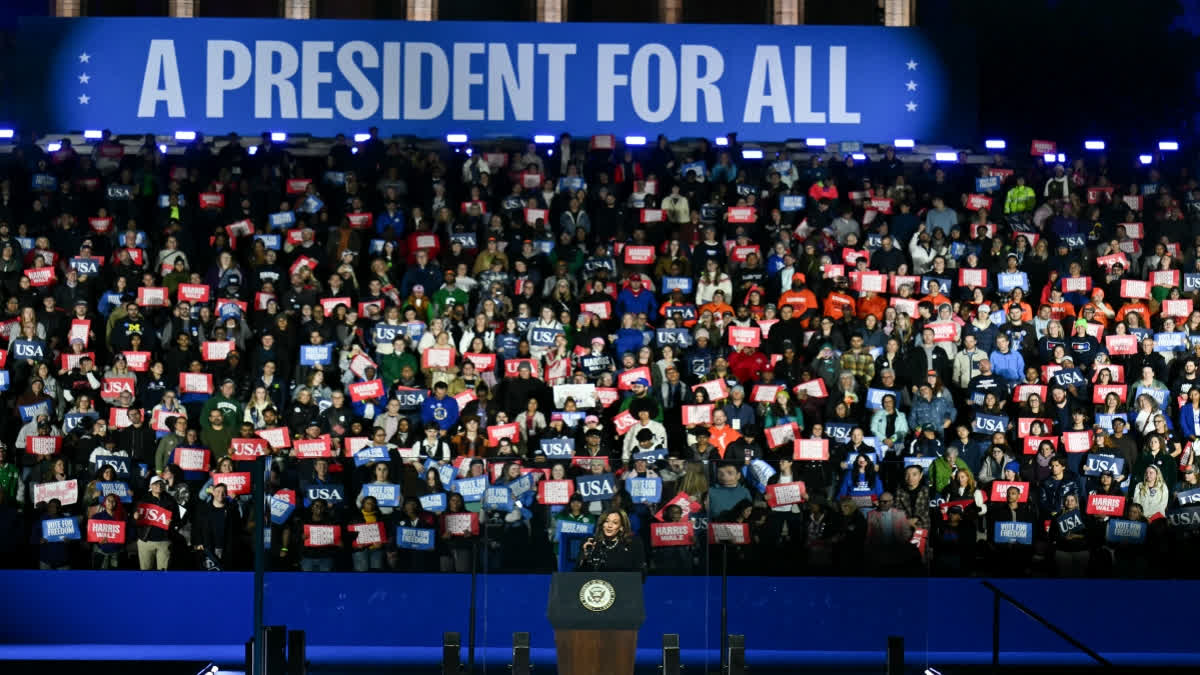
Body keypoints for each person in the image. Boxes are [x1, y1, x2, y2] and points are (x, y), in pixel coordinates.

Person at [577, 508, 646, 577]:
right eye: (606, 521)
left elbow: (640, 573)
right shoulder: (591, 542)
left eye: (615, 523)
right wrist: (585, 556)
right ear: (602, 524)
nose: (609, 526)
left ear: (621, 527)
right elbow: (578, 575)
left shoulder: (633, 543)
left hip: (624, 585)